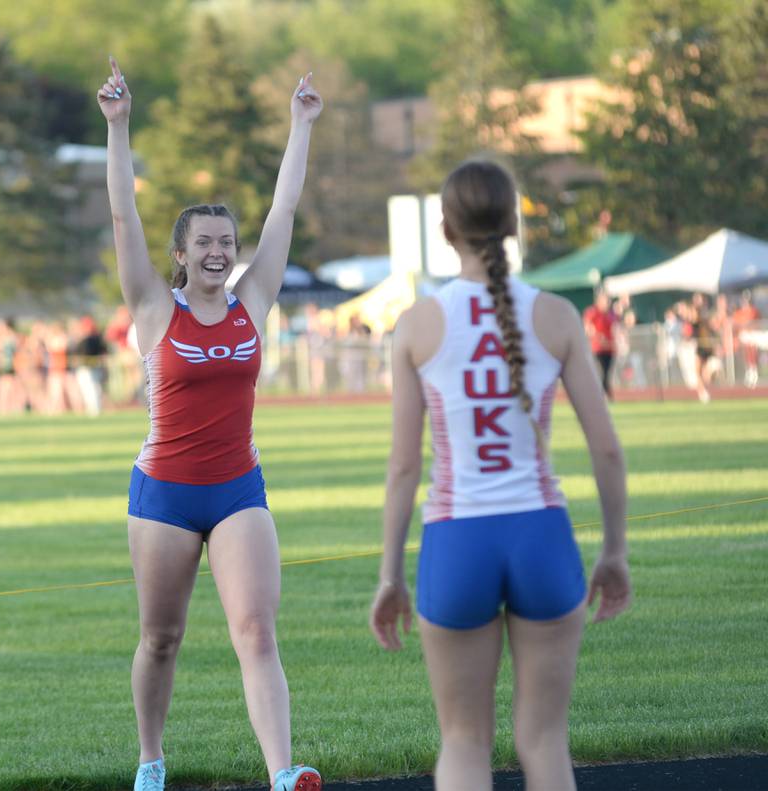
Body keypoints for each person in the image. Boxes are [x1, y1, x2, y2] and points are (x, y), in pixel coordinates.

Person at [97, 57, 323, 791]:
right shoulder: (154, 308)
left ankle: (283, 772)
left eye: (227, 241)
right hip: (163, 493)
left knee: (256, 631)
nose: (220, 251)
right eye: (206, 243)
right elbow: (122, 215)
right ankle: (151, 758)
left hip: (237, 490)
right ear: (181, 252)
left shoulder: (251, 300)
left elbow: (283, 213)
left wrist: (301, 124)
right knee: (161, 639)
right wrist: (119, 126)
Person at [370, 159, 631, 791]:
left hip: (458, 540)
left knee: (463, 741)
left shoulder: (418, 323)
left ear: (444, 227)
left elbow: (405, 466)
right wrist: (615, 551)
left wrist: (388, 575)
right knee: (544, 741)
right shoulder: (558, 315)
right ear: (513, 223)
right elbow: (608, 451)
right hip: (541, 535)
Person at [582, 290, 616, 399]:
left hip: (609, 348)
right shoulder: (592, 312)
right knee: (599, 371)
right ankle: (601, 394)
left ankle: (604, 393)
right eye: (606, 301)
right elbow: (587, 327)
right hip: (597, 348)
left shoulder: (610, 314)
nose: (607, 303)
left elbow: (615, 328)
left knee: (606, 372)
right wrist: (597, 336)